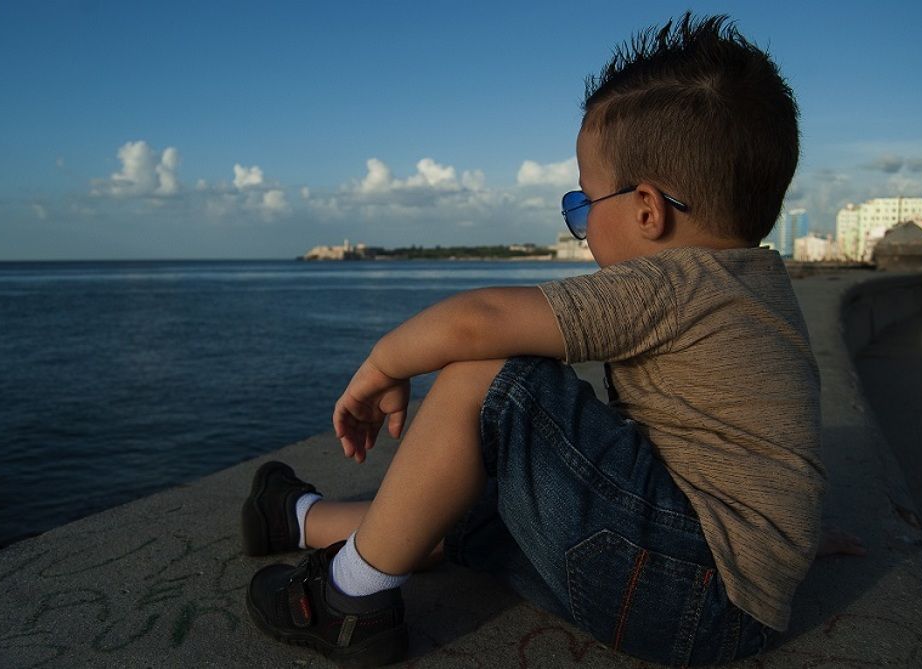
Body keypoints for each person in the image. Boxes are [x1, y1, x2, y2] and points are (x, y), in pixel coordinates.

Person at [241, 13, 845, 667]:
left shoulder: (672, 282)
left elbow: (480, 320)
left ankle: (348, 601)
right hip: (725, 601)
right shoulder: (759, 285)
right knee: (468, 494)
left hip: (685, 590)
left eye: (583, 205)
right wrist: (784, 542)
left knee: (490, 377)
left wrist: (384, 364)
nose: (581, 228)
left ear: (647, 209)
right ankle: (299, 518)